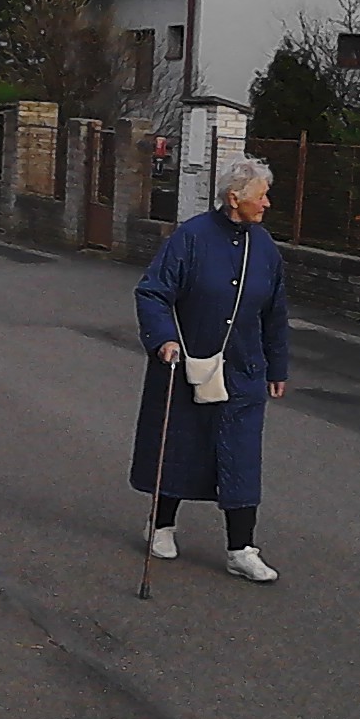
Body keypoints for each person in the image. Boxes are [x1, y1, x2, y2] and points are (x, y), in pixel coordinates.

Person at [129, 156, 289, 583]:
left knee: (241, 457)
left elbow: (275, 313)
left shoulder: (265, 248)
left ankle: (242, 549)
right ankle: (161, 526)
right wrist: (164, 339)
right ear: (234, 198)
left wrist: (277, 367)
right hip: (189, 365)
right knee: (179, 446)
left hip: (244, 370)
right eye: (261, 196)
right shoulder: (192, 237)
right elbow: (152, 292)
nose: (267, 204)